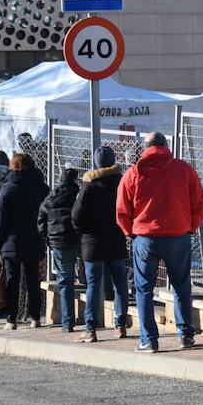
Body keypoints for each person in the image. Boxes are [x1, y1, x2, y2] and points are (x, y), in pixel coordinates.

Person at [116, 131, 203, 353]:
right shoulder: (183, 169)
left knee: (144, 289)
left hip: (145, 237)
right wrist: (190, 227)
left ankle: (149, 339)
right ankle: (185, 334)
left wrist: (130, 233)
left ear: (144, 148)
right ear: (166, 145)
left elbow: (122, 210)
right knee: (181, 286)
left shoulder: (132, 174)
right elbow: (199, 203)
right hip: (178, 235)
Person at [72, 146, 130, 342]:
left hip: (92, 243)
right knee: (120, 285)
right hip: (116, 240)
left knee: (93, 286)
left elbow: (77, 216)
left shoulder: (88, 185)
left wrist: (82, 232)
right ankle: (120, 325)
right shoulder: (121, 182)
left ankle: (90, 329)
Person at [0, 152, 49, 330]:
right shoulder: (42, 187)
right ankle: (35, 317)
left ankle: (11, 319)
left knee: (12, 281)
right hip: (34, 238)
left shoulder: (9, 188)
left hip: (12, 242)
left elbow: (0, 218)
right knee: (33, 280)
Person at [38, 161, 84, 333]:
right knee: (91, 276)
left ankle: (67, 322)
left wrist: (48, 240)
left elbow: (41, 220)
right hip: (79, 241)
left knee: (65, 281)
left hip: (59, 243)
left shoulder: (50, 198)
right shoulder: (79, 196)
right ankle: (91, 319)